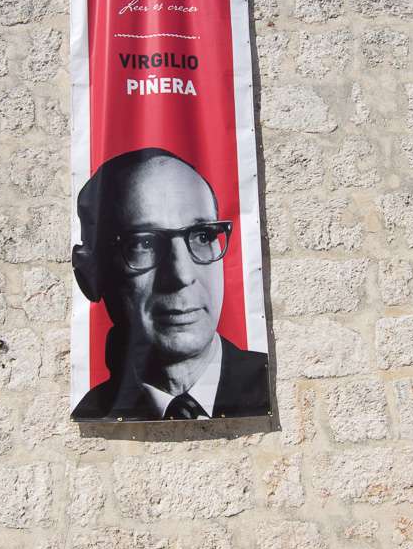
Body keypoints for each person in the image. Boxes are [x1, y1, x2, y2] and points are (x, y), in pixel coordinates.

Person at [70, 147, 268, 421]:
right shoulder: (91, 420)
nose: (181, 275)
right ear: (89, 274)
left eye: (202, 236)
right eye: (144, 243)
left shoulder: (276, 385)